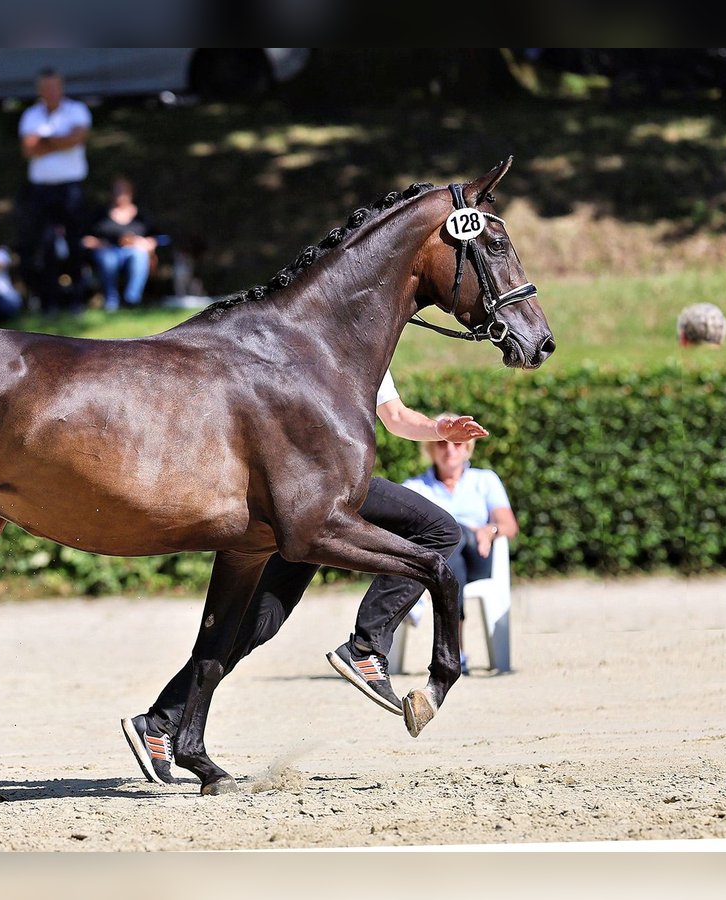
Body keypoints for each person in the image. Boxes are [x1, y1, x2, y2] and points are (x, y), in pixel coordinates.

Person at [121, 369, 488, 785]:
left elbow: (396, 416)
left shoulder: (363, 347)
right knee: (438, 530)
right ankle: (366, 647)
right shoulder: (309, 341)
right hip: (310, 491)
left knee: (258, 623)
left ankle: (159, 722)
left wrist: (437, 427)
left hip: (309, 502)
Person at [402, 421, 518, 675]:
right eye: (442, 442)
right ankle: (456, 653)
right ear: (431, 449)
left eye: (457, 443)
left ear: (468, 448)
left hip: (479, 556)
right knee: (449, 548)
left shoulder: (485, 480)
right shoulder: (415, 487)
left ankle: (416, 602)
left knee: (454, 533)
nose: (450, 450)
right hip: (438, 563)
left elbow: (509, 525)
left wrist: (490, 530)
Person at [16, 67, 92, 313]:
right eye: (45, 87)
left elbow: (77, 139)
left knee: (74, 243)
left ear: (61, 87)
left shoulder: (77, 110)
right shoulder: (31, 115)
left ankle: (78, 299)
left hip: (70, 188)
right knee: (45, 245)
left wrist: (44, 142)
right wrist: (61, 140)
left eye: (54, 87)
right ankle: (51, 301)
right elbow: (29, 149)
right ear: (40, 90)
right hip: (41, 190)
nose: (50, 92)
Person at [82, 177, 165, 311]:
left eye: (123, 191)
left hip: (133, 251)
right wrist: (99, 243)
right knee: (108, 259)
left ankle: (131, 300)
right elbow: (84, 238)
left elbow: (161, 238)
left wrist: (148, 242)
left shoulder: (142, 215)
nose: (120, 194)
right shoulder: (99, 213)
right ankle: (111, 301)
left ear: (131, 193)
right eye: (116, 191)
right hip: (108, 251)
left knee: (139, 256)